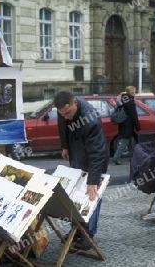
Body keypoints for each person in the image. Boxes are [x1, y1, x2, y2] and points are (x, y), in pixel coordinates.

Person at [54, 91, 109, 250]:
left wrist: (93, 181)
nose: (65, 116)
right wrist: (65, 145)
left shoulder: (91, 120)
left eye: (68, 113)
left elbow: (97, 153)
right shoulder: (63, 110)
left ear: (75, 103)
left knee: (91, 197)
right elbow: (62, 126)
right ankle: (76, 231)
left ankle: (87, 236)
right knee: (74, 196)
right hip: (77, 153)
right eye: (62, 114)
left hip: (94, 161)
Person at [111, 86, 141, 165]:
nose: (135, 94)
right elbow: (134, 115)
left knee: (131, 142)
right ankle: (116, 157)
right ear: (132, 93)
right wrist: (138, 126)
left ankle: (132, 158)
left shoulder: (123, 99)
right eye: (134, 92)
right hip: (128, 124)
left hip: (123, 123)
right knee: (125, 142)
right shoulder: (130, 101)